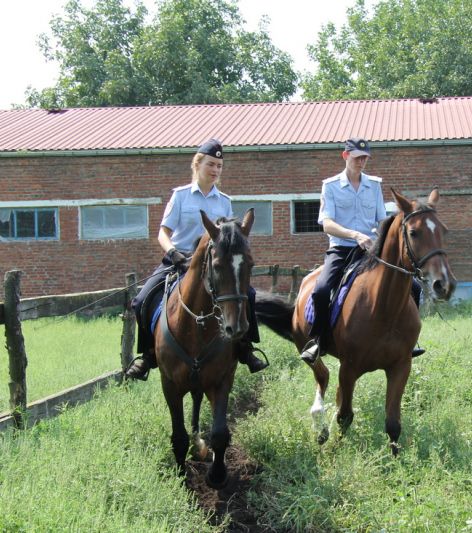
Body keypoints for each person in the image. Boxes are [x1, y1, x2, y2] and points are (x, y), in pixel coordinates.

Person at [125, 139, 269, 380]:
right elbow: (163, 233)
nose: (215, 170)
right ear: (197, 165)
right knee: (141, 300)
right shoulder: (180, 196)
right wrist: (174, 254)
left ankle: (246, 348)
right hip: (178, 260)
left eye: (219, 166)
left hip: (212, 265)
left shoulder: (224, 200)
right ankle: (148, 355)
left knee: (249, 295)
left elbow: (228, 239)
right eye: (211, 164)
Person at [300, 137, 424, 364]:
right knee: (321, 289)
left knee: (413, 286)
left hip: (371, 250)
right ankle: (318, 340)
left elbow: (381, 220)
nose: (361, 162)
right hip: (342, 249)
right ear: (346, 156)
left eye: (365, 158)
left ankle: (408, 340)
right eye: (357, 157)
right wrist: (354, 234)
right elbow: (327, 224)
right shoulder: (331, 186)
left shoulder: (373, 185)